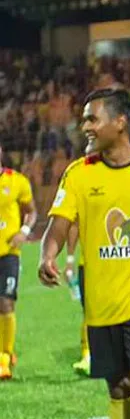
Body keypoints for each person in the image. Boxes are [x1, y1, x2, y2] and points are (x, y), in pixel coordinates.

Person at [39, 88, 130, 419]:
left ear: (120, 122)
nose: (85, 127)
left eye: (92, 119)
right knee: (119, 387)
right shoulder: (79, 173)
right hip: (102, 305)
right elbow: (58, 224)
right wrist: (48, 255)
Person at [0, 145, 37, 380]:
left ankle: (4, 356)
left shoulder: (17, 181)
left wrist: (24, 231)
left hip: (8, 253)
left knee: (5, 302)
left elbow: (31, 212)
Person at [61, 222, 90, 376]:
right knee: (90, 311)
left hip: (125, 263)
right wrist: (70, 259)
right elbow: (75, 225)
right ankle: (87, 356)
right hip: (90, 263)